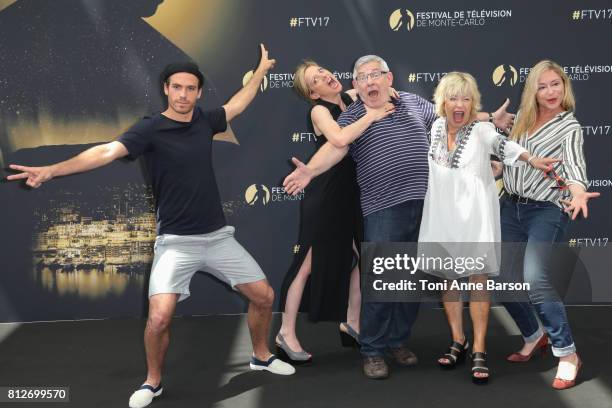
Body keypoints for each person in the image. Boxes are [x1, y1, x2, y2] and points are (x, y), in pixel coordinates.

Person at [6, 44, 295, 408]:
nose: (183, 94)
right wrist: (51, 170)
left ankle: (261, 355)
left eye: (191, 88)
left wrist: (262, 71)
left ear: (199, 92)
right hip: (176, 243)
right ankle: (153, 382)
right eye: (177, 87)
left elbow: (237, 104)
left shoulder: (206, 120)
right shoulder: (150, 128)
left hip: (218, 237)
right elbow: (106, 151)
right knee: (158, 319)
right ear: (166, 89)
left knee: (265, 296)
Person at [283, 55, 514, 379]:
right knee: (381, 282)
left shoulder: (412, 102)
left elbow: (449, 117)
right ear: (356, 85)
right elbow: (336, 148)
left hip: (427, 207)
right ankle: (373, 350)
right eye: (362, 78)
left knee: (409, 282)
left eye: (375, 75)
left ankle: (397, 341)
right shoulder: (353, 115)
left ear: (388, 77)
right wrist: (311, 171)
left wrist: (489, 117)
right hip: (382, 209)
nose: (369, 82)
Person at [418, 72, 557, 384]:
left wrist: (531, 159)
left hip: (475, 218)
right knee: (448, 281)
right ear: (443, 101)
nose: (460, 104)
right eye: (454, 97)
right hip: (442, 215)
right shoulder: (436, 126)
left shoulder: (481, 130)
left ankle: (479, 349)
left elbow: (503, 145)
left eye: (466, 99)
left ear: (473, 103)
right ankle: (458, 341)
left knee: (478, 280)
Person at [277, 60, 395, 364]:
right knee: (306, 266)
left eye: (324, 71)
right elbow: (341, 139)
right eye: (316, 78)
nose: (325, 75)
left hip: (356, 193)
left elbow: (388, 93)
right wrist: (372, 115)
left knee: (361, 259)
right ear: (313, 93)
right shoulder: (318, 111)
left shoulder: (352, 99)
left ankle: (352, 323)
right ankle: (285, 333)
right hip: (328, 195)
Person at [499, 60, 599, 390]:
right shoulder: (519, 122)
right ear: (533, 91)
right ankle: (533, 334)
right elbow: (506, 161)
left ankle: (567, 354)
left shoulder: (569, 127)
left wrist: (578, 192)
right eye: (542, 86)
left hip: (546, 210)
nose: (551, 91)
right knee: (500, 274)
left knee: (534, 278)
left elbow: (574, 170)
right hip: (509, 207)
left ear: (565, 86)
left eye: (556, 84)